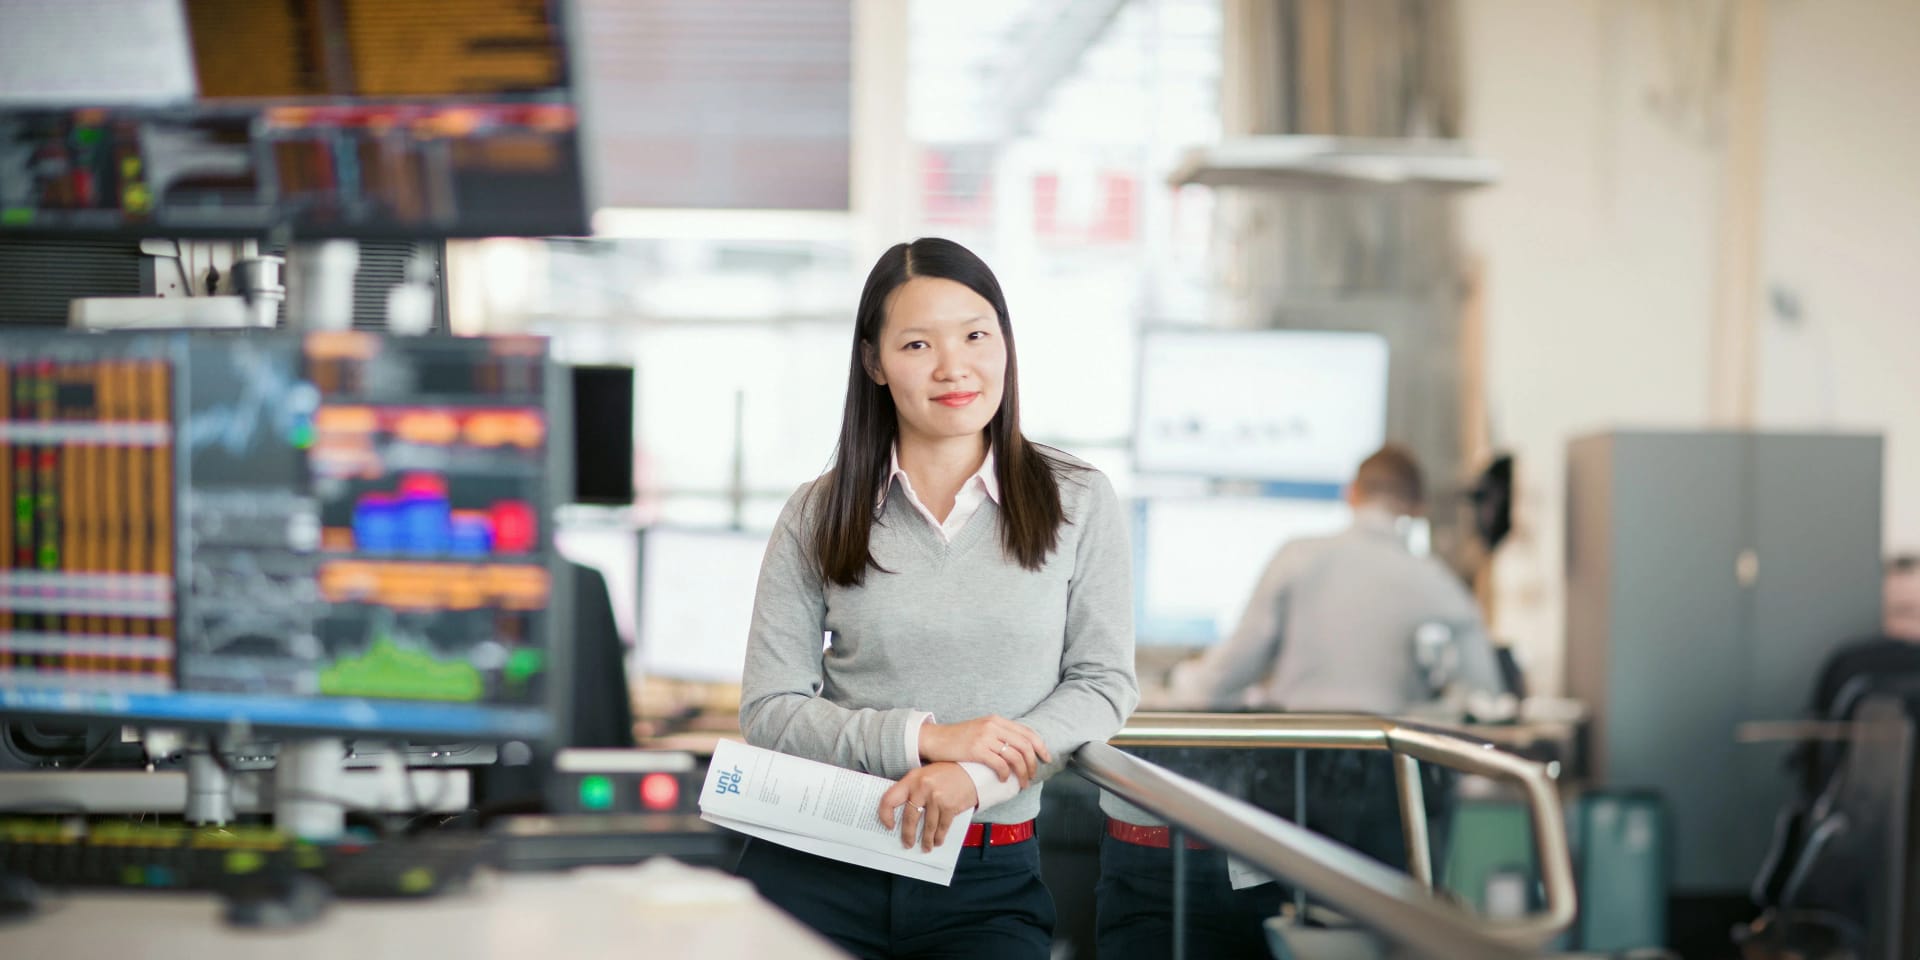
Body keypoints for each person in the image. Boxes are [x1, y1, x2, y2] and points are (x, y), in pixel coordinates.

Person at [735, 237, 1139, 959]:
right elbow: (769, 709)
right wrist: (924, 738)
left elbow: (1103, 683)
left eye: (977, 335)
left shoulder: (1078, 499)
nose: (956, 368)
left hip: (985, 875)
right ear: (874, 363)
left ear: (1006, 344)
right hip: (820, 863)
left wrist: (973, 775)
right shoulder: (819, 512)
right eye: (919, 343)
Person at [1095, 445, 1503, 959]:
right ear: (1417, 507)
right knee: (1376, 934)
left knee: (1290, 926)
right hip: (1385, 791)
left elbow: (1228, 672)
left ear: (1351, 493)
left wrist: (1176, 684)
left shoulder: (1300, 555)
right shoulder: (1435, 580)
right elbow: (1487, 694)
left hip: (1297, 779)